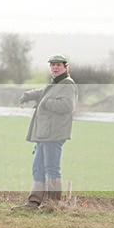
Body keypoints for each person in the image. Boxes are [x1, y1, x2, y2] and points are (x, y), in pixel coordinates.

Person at [13, 54, 77, 209]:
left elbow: (68, 106)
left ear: (65, 67)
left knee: (51, 168)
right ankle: (34, 202)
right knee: (38, 168)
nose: (55, 68)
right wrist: (27, 96)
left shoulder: (67, 84)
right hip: (44, 133)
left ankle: (52, 203)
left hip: (54, 134)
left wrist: (46, 103)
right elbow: (42, 92)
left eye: (58, 65)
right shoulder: (56, 83)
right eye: (52, 65)